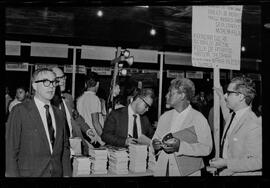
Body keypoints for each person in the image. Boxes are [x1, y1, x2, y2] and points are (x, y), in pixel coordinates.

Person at [5, 68, 71, 177]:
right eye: (46, 82)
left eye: (54, 82)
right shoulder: (20, 111)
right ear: (34, 86)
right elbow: (10, 151)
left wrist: (67, 174)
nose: (51, 86)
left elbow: (65, 148)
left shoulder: (59, 114)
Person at [151, 78, 212, 176]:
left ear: (182, 96)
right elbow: (155, 139)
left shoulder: (198, 118)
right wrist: (155, 145)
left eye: (170, 93)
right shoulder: (165, 116)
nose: (166, 95)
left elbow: (206, 148)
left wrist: (180, 146)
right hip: (163, 169)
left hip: (187, 172)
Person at [210, 76, 262, 176]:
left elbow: (258, 161)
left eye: (229, 93)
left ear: (241, 97)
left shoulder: (254, 123)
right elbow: (227, 115)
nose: (226, 96)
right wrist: (221, 96)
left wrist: (225, 163)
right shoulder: (233, 115)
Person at [51, 66, 95, 155]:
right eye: (58, 78)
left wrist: (87, 130)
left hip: (73, 143)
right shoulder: (49, 102)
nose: (63, 80)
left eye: (63, 77)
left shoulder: (68, 98)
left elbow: (76, 116)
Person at [77, 71, 105, 147]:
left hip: (85, 136)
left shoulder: (80, 99)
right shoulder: (95, 99)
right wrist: (104, 139)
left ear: (86, 84)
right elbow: (95, 122)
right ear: (98, 84)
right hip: (95, 138)